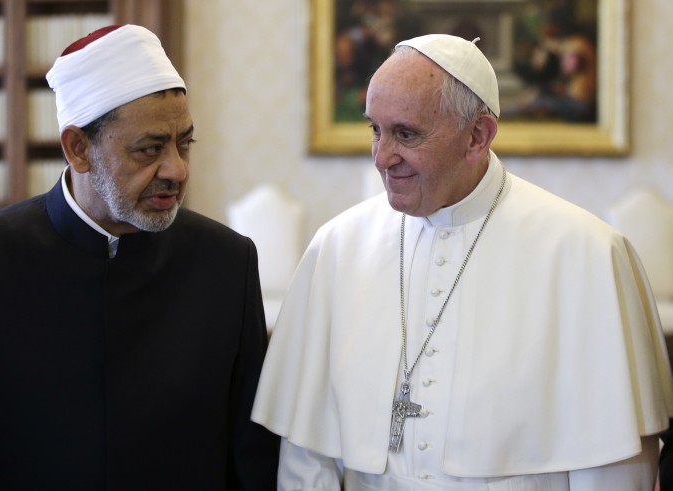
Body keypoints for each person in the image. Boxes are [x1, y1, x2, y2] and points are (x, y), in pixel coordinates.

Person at [252, 33, 673, 489]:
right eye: (375, 129)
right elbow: (306, 450)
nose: (381, 157)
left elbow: (612, 461)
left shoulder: (586, 253)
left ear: (477, 136)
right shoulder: (337, 247)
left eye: (405, 134)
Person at [0, 24, 279, 490]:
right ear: (78, 149)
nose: (177, 169)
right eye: (150, 149)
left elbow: (254, 457)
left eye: (184, 143)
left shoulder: (227, 263)